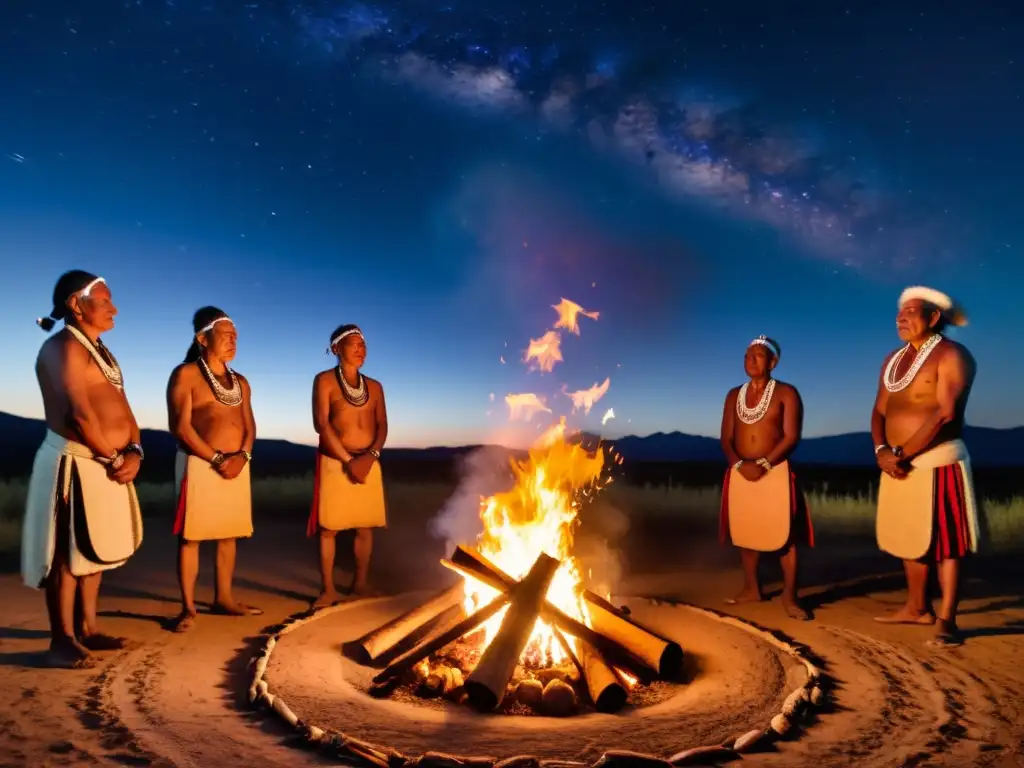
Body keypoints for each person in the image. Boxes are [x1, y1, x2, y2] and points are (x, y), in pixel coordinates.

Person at [23, 271, 145, 668]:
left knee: (94, 550)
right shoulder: (62, 348)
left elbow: (124, 409)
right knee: (66, 552)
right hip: (74, 459)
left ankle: (88, 628)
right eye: (105, 300)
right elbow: (78, 414)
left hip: (107, 461)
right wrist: (113, 458)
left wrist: (135, 450)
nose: (115, 308)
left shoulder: (103, 354)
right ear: (77, 305)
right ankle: (62, 638)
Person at [871, 286, 978, 647]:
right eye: (900, 312)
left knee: (947, 543)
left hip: (937, 458)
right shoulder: (892, 360)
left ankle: (947, 619)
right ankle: (917, 608)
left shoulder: (952, 354)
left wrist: (902, 454)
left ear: (934, 318)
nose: (901, 317)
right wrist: (882, 449)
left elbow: (945, 413)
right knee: (908, 535)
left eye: (911, 312)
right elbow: (880, 410)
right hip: (895, 457)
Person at [166, 307, 259, 632]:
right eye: (226, 334)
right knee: (192, 537)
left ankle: (224, 598)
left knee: (228, 534)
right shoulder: (186, 374)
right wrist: (218, 459)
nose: (233, 340)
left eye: (236, 335)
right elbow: (180, 427)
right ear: (203, 338)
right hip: (200, 462)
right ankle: (188, 607)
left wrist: (242, 457)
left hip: (237, 464)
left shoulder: (241, 382)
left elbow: (249, 425)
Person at [719, 335, 814, 621]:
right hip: (740, 471)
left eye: (758, 355)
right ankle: (751, 589)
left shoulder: (786, 393)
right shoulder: (734, 395)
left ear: (773, 362)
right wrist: (738, 464)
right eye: (747, 355)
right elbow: (726, 438)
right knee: (746, 530)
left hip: (774, 469)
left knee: (785, 535)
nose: (751, 359)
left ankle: (790, 595)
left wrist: (763, 463)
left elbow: (791, 436)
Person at [307, 324, 389, 606]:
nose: (360, 349)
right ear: (335, 349)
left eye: (363, 345)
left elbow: (382, 425)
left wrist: (370, 457)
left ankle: (360, 583)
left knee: (364, 526)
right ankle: (327, 589)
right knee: (329, 528)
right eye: (353, 344)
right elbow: (322, 424)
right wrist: (348, 461)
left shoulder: (375, 387)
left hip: (368, 461)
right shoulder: (325, 381)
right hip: (336, 460)